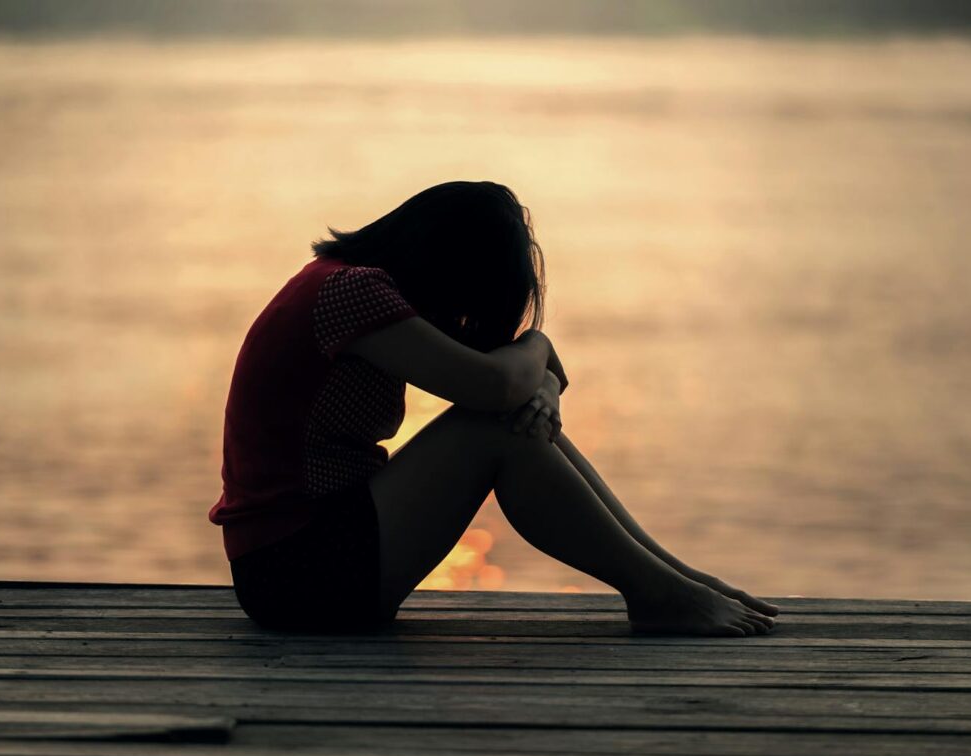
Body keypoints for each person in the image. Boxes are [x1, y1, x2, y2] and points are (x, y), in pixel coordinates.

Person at [208, 180, 778, 635]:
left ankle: (673, 580)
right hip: (295, 573)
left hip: (309, 561)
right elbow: (495, 385)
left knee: (506, 422)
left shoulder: (348, 288)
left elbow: (519, 384)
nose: (463, 317)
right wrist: (539, 344)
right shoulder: (351, 292)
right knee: (492, 428)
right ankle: (660, 592)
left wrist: (543, 386)